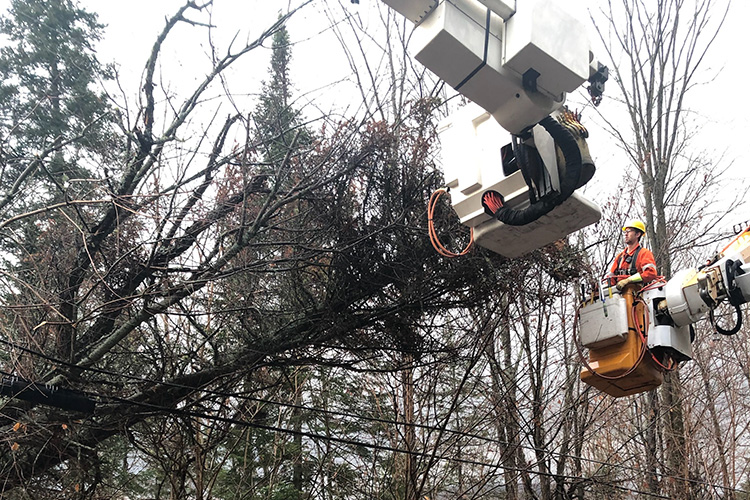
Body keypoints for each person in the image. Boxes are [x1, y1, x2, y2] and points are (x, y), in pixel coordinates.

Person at [609, 219, 658, 290]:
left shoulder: (644, 253)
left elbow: (650, 274)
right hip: (619, 295)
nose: (626, 234)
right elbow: (611, 279)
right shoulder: (620, 257)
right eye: (625, 232)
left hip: (637, 294)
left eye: (628, 231)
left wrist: (629, 280)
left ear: (638, 234)